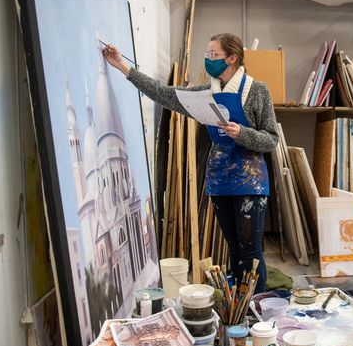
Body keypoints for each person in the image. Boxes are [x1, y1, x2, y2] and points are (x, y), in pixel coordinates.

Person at [103, 33, 277, 294]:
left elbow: (272, 138)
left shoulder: (257, 90)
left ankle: (258, 306)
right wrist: (122, 66)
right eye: (206, 55)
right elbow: (163, 93)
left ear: (232, 58)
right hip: (219, 180)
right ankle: (241, 310)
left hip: (250, 180)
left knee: (251, 250)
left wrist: (242, 133)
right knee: (233, 248)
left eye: (213, 55)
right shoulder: (205, 93)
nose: (208, 60)